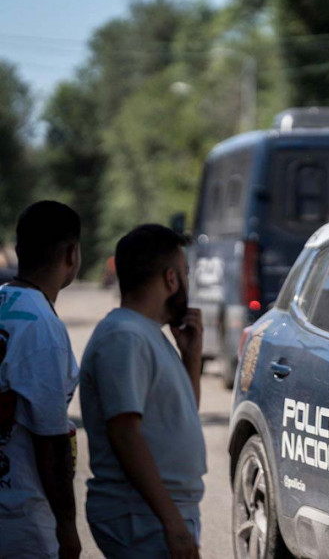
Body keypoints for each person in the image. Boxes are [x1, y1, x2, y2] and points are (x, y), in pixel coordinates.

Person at [80, 224, 205, 559]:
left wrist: (191, 358)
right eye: (185, 273)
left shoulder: (146, 334)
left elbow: (179, 418)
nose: (187, 282)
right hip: (140, 515)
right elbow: (124, 434)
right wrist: (173, 524)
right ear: (171, 279)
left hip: (154, 513)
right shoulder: (125, 337)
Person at [0, 201, 82, 559]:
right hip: (19, 521)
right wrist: (67, 527)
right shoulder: (43, 328)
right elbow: (52, 442)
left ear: (19, 251)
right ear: (71, 254)